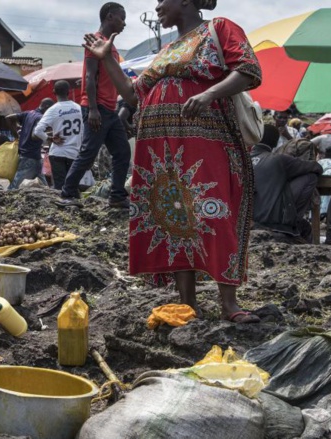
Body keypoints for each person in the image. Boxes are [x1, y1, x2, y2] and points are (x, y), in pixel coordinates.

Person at [83, 0, 262, 323]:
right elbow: (133, 95)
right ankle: (187, 302)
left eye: (162, 0)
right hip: (161, 151)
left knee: (214, 211)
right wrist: (106, 57)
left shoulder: (217, 29)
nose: (157, 6)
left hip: (204, 142)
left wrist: (209, 94)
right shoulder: (167, 49)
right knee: (176, 217)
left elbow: (249, 70)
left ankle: (229, 303)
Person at [55, 3, 131, 209]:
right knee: (89, 152)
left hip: (110, 109)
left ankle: (117, 195)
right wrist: (94, 109)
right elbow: (89, 76)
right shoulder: (96, 41)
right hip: (97, 108)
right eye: (121, 18)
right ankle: (67, 193)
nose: (124, 23)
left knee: (122, 152)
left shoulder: (111, 46)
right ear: (110, 16)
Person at [251, 125, 322, 240]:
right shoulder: (279, 159)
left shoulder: (243, 159)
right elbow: (316, 167)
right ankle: (292, 220)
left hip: (246, 218)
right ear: (275, 144)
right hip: (272, 222)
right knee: (310, 177)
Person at [32, 80, 84, 191]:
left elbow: (37, 131)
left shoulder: (53, 109)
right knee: (73, 186)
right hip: (75, 154)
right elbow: (84, 132)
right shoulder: (79, 108)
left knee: (59, 188)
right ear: (68, 92)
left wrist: (50, 139)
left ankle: (62, 206)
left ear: (54, 92)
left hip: (57, 153)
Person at [5, 98, 54, 189]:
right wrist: (50, 138)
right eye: (51, 110)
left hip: (31, 156)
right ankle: (4, 200)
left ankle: (51, 197)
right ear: (47, 107)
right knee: (15, 186)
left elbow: (8, 118)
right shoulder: (40, 118)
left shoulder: (28, 113)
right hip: (30, 156)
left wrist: (15, 134)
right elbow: (35, 134)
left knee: (43, 184)